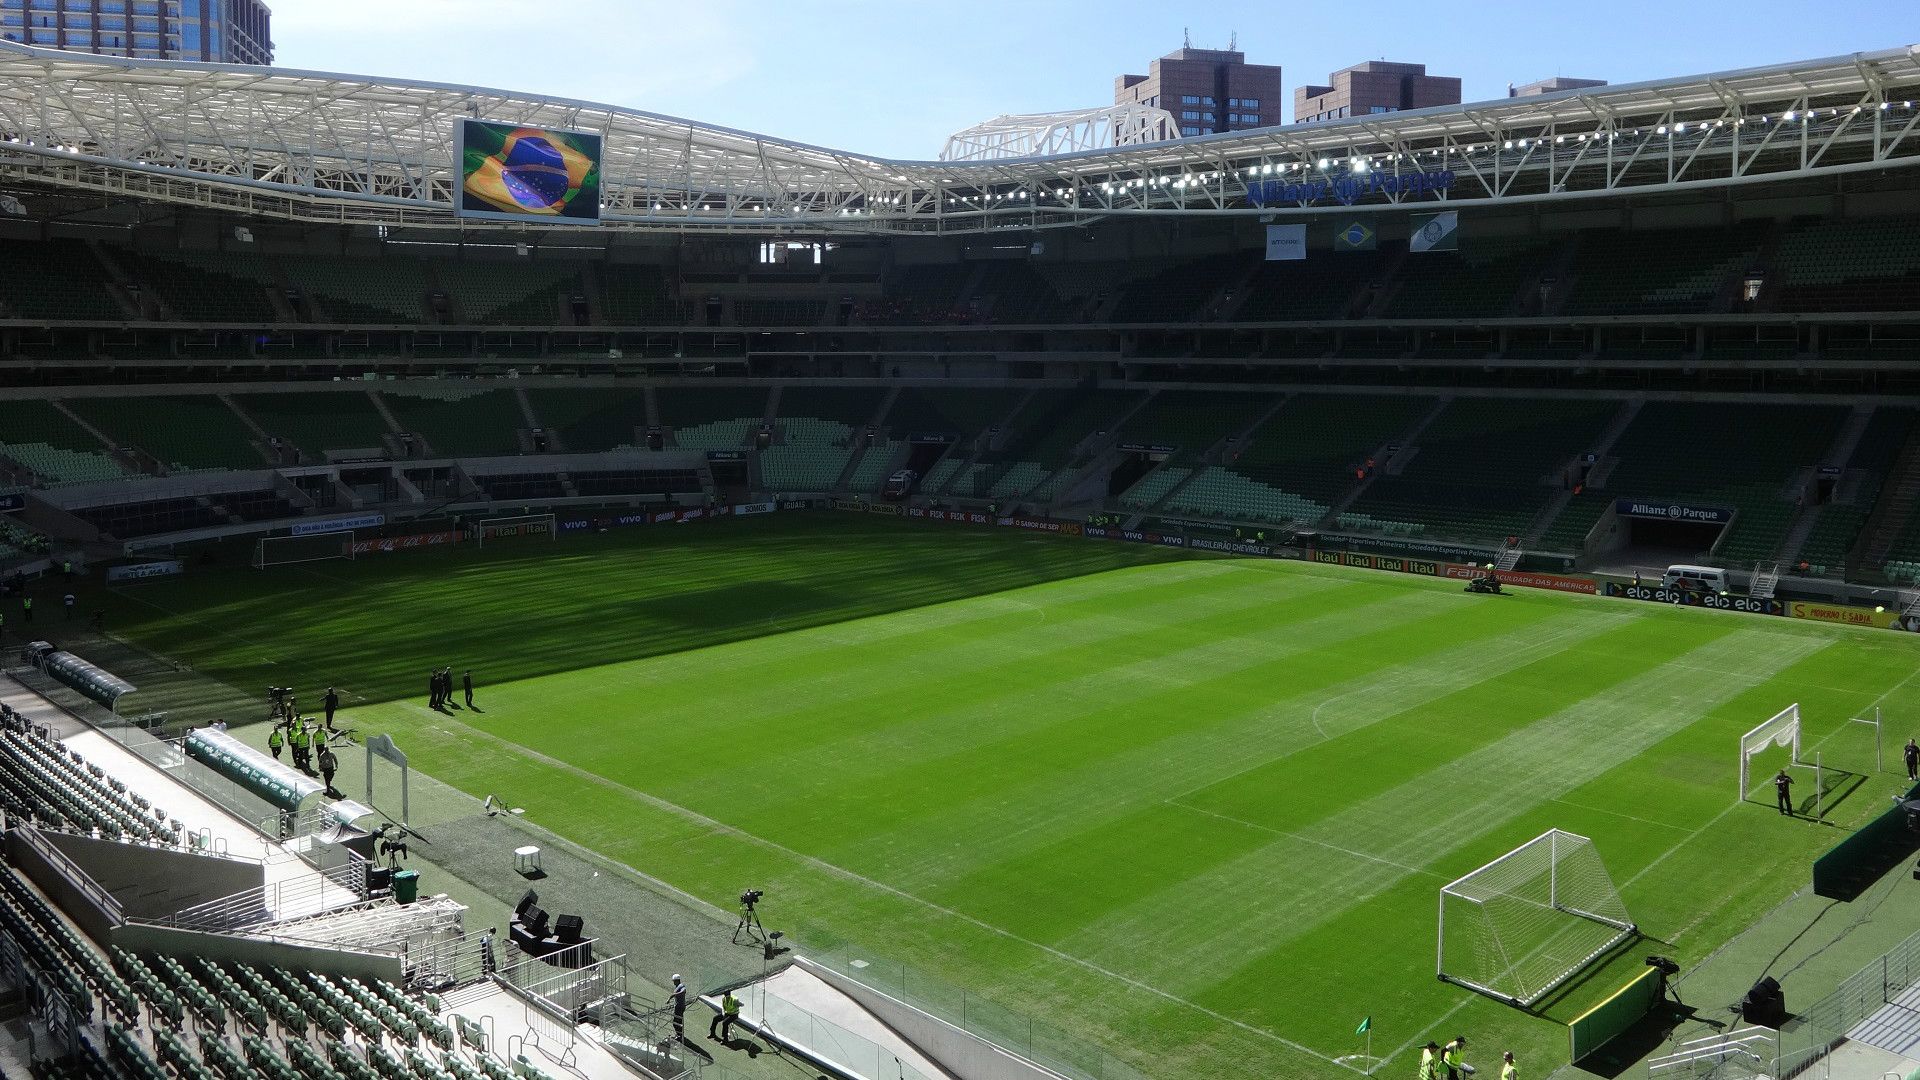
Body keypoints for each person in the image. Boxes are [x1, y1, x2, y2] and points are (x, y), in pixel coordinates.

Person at [670, 975, 688, 1041]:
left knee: (675, 1022)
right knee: (679, 1021)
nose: (673, 982)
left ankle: (679, 1035)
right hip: (679, 1006)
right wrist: (669, 999)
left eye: (674, 981)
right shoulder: (677, 986)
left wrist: (675, 994)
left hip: (679, 1007)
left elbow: (684, 991)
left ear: (677, 980)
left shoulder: (681, 986)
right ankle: (680, 1035)